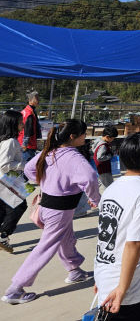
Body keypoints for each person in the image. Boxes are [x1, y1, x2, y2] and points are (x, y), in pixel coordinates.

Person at [3, 119, 100, 305]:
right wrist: (95, 199)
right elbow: (90, 178)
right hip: (60, 210)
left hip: (47, 205)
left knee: (66, 237)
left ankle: (74, 270)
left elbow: (30, 170)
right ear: (73, 136)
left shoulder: (49, 152)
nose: (85, 137)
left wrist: (46, 181)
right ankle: (15, 289)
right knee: (46, 246)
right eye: (83, 134)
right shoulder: (74, 157)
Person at [93, 131, 140, 320]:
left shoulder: (112, 189)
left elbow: (104, 236)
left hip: (106, 272)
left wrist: (99, 276)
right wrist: (122, 288)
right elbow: (135, 243)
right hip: (125, 284)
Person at [0, 110, 27, 253]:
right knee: (20, 206)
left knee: (4, 208)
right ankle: (4, 235)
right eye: (20, 121)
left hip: (7, 180)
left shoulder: (6, 140)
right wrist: (24, 165)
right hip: (7, 180)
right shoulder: (10, 142)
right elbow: (4, 165)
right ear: (12, 124)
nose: (23, 124)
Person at [19, 91, 41, 163]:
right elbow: (28, 130)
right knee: (27, 165)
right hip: (28, 145)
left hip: (24, 142)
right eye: (36, 98)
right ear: (30, 100)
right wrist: (24, 144)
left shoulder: (26, 111)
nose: (38, 100)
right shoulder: (29, 113)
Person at [93, 125, 119, 189]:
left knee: (103, 182)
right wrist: (109, 156)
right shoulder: (103, 146)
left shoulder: (98, 140)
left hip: (100, 168)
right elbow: (99, 158)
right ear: (107, 137)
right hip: (104, 169)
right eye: (113, 138)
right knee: (109, 185)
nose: (113, 140)